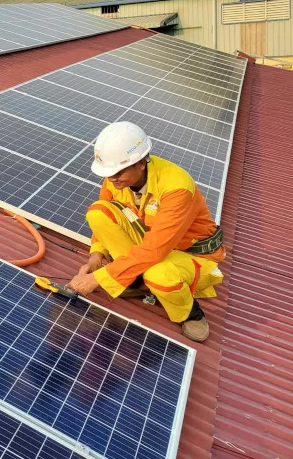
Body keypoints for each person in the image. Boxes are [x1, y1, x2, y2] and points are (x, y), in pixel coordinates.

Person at [67, 121, 225, 342]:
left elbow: (155, 249)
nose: (111, 178)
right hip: (151, 245)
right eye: (108, 172)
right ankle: (133, 281)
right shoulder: (115, 181)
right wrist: (96, 257)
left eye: (118, 171)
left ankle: (190, 312)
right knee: (98, 212)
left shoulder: (176, 188)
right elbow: (106, 221)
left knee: (158, 273)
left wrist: (98, 279)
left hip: (189, 254)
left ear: (141, 163)